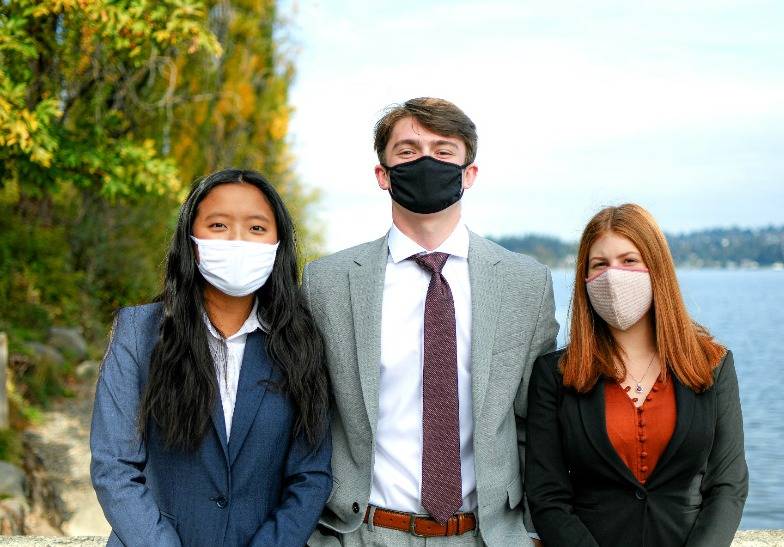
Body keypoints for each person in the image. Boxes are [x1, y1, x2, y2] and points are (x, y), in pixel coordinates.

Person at [303, 98, 558, 546]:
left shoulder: (525, 284)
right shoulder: (326, 283)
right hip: (363, 533)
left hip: (486, 536)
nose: (425, 161)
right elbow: (307, 418)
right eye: (407, 150)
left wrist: (533, 530)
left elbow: (535, 423)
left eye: (443, 151)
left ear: (469, 173)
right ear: (382, 174)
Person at [90, 168, 332, 546]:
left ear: (278, 242)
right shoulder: (138, 333)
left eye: (256, 228)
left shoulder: (300, 343)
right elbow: (115, 467)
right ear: (191, 240)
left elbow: (311, 475)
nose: (238, 240)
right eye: (218, 225)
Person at [525, 203, 748, 546]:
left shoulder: (713, 365)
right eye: (599, 264)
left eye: (629, 260)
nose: (613, 276)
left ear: (656, 267)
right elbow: (547, 495)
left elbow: (728, 485)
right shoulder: (555, 375)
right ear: (584, 280)